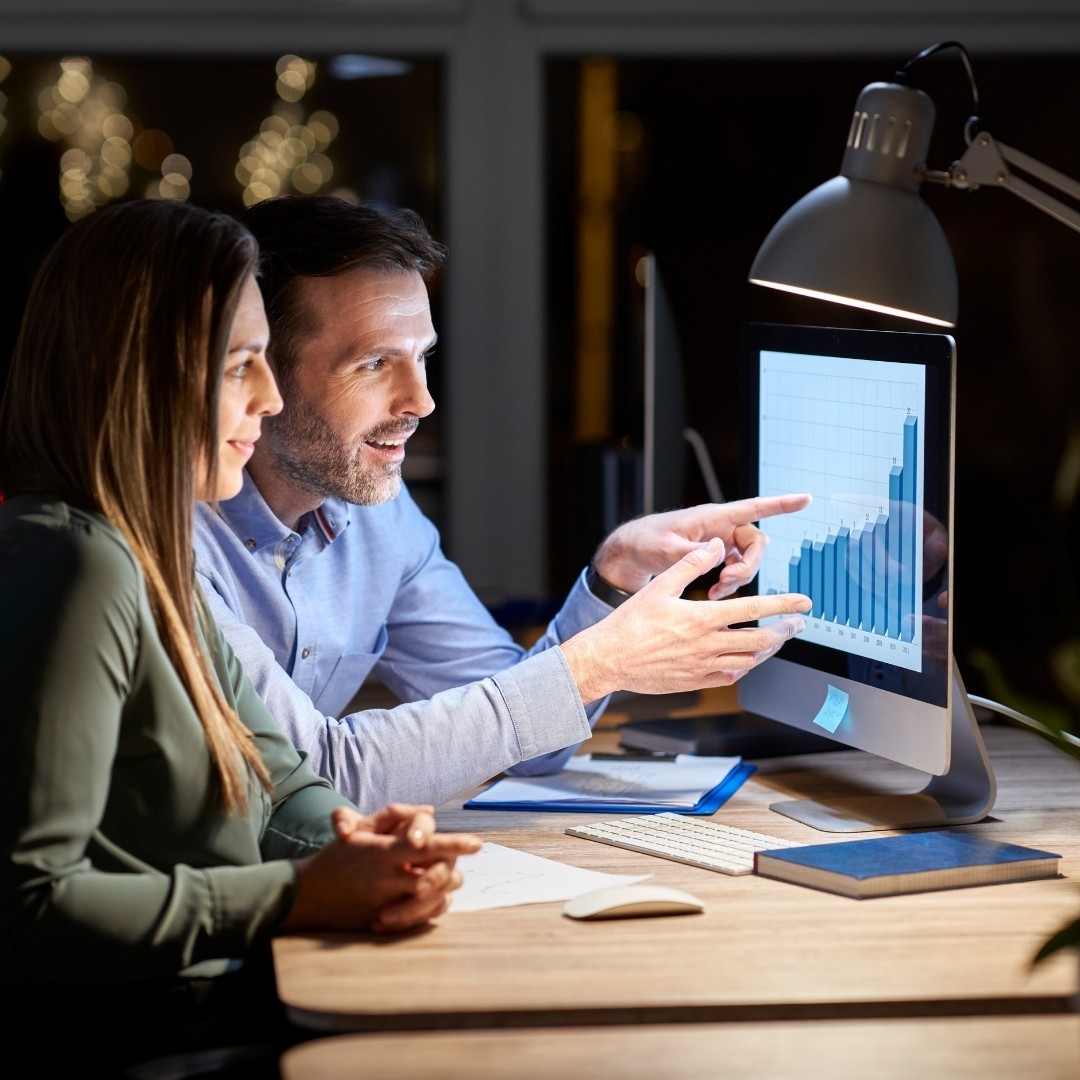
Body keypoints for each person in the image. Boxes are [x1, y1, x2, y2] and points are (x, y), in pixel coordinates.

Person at [0, 198, 479, 1073]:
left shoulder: (147, 556)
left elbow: (281, 781)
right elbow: (25, 906)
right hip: (140, 1040)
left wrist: (364, 849)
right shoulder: (75, 565)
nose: (269, 398)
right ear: (137, 376)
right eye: (240, 366)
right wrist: (295, 895)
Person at [194, 195, 813, 812]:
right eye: (375, 363)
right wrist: (596, 665)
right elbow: (317, 779)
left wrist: (614, 576)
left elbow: (524, 743)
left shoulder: (379, 516)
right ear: (256, 368)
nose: (421, 402)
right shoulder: (165, 538)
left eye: (422, 358)